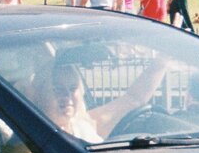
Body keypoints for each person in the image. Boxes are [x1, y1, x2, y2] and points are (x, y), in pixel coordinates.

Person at [30, 57, 170, 143]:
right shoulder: (27, 141)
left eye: (73, 88)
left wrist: (163, 58)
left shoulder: (85, 124)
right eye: (57, 90)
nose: (67, 96)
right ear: (40, 94)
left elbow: (134, 98)